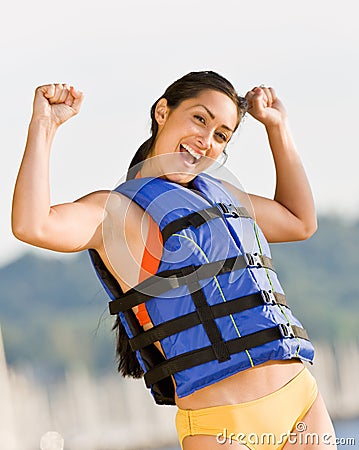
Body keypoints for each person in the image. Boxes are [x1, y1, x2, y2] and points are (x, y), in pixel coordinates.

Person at [12, 72, 337, 449]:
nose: (207, 139)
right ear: (162, 112)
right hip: (219, 424)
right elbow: (32, 224)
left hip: (301, 402)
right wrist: (44, 125)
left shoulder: (223, 197)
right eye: (200, 118)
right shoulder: (116, 212)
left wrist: (277, 128)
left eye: (221, 135)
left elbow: (299, 220)